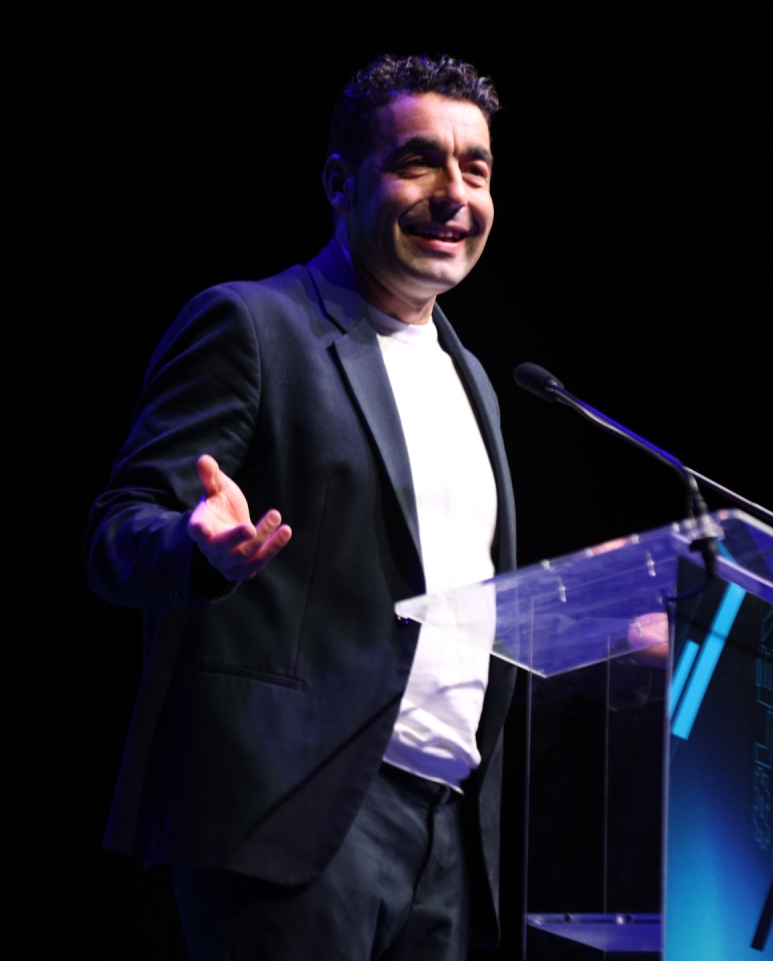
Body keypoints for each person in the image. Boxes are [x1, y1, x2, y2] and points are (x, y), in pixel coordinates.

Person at [87, 55, 517, 960]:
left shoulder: (474, 379)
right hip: (295, 812)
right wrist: (197, 549)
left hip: (447, 826)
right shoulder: (253, 325)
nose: (454, 194)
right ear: (339, 182)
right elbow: (118, 530)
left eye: (475, 169)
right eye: (418, 162)